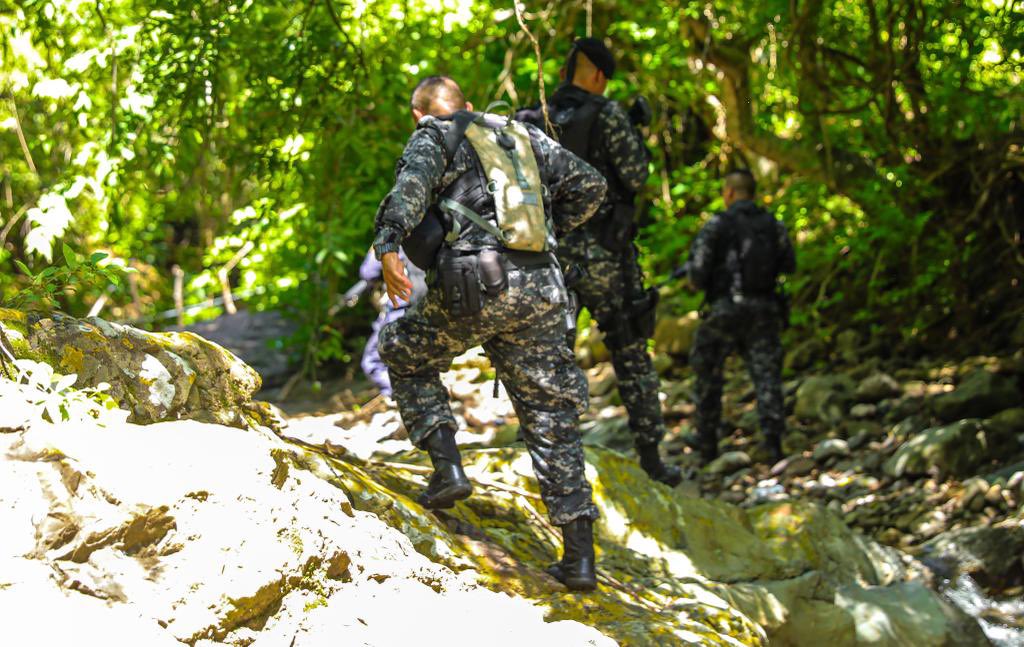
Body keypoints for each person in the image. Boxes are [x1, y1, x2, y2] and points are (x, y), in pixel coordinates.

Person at [373, 75, 608, 590]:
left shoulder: (434, 135)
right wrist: (549, 233)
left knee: (402, 350)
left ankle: (448, 471)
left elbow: (410, 191)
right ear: (470, 105)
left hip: (473, 286)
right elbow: (591, 185)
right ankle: (580, 559)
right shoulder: (522, 135)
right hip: (542, 286)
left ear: (419, 115)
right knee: (550, 412)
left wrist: (388, 244)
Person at [518, 38, 681, 486]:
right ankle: (651, 459)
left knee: (548, 356)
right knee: (629, 346)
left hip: (548, 257)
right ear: (597, 75)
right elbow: (635, 175)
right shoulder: (607, 114)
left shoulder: (536, 116)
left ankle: (535, 454)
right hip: (604, 253)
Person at [686, 169, 797, 465]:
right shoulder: (772, 224)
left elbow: (697, 274)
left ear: (730, 193)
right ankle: (773, 443)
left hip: (724, 310)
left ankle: (707, 445)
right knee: (767, 375)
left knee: (708, 374)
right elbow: (789, 264)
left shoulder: (716, 225)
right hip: (764, 309)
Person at [355, 248, 426, 398]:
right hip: (427, 308)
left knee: (372, 361)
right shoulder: (425, 236)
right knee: (421, 364)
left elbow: (368, 273)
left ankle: (405, 398)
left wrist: (374, 251)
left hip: (398, 311)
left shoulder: (389, 239)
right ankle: (423, 400)